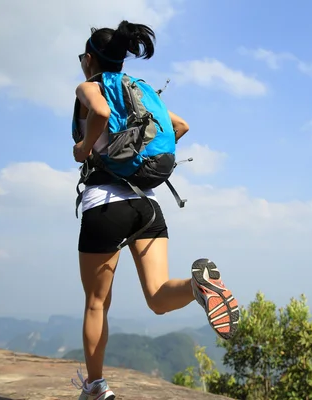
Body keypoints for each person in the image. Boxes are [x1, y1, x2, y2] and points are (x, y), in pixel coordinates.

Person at [70, 20, 240, 400]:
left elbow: (97, 112)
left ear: (89, 59)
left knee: (97, 303)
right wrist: (140, 158)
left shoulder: (89, 86)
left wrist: (84, 149)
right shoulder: (143, 91)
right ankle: (198, 288)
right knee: (158, 295)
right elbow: (181, 125)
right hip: (147, 204)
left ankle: (96, 388)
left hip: (106, 205)